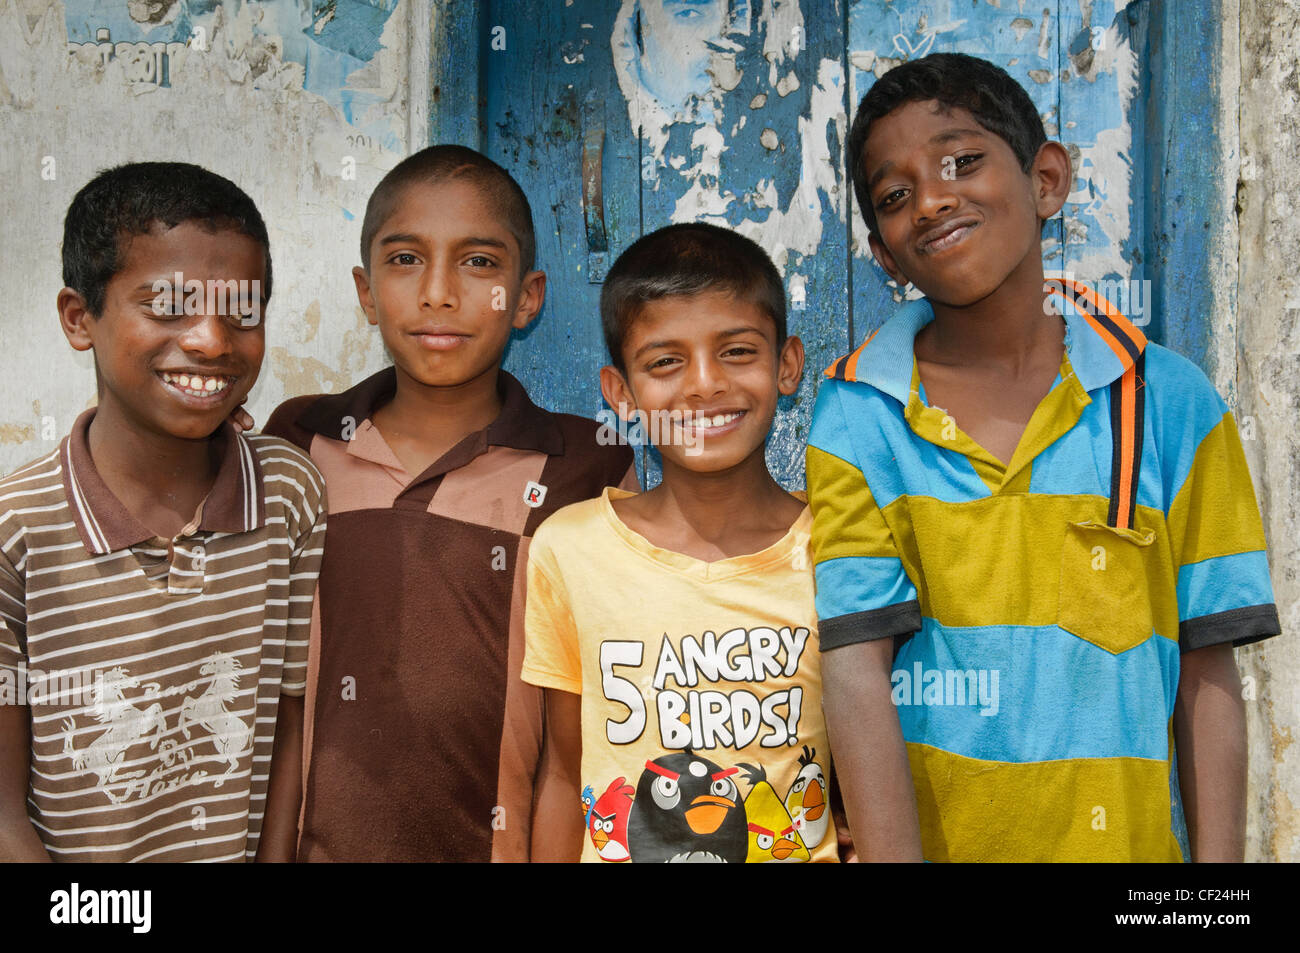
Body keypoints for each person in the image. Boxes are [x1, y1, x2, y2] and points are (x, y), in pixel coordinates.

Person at [807, 52, 1282, 861]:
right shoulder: (857, 416)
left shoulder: (1171, 405)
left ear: (1047, 180)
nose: (932, 199)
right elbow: (856, 676)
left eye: (961, 161)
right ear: (885, 254)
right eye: (895, 195)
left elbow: (1208, 672)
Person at [263, 145, 636, 861]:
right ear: (366, 291)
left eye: (478, 263)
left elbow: (594, 723)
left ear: (527, 297)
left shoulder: (586, 466)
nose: (438, 292)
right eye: (404, 260)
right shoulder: (301, 441)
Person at [0, 162, 325, 861]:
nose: (211, 339)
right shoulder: (16, 532)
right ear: (78, 318)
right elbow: (3, 816)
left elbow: (290, 727)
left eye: (241, 310)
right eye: (168, 306)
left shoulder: (289, 493)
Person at [524, 222, 839, 863]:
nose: (702, 385)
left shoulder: (833, 548)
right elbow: (562, 774)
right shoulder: (570, 550)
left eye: (737, 351)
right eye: (666, 362)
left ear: (787, 365)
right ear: (622, 394)